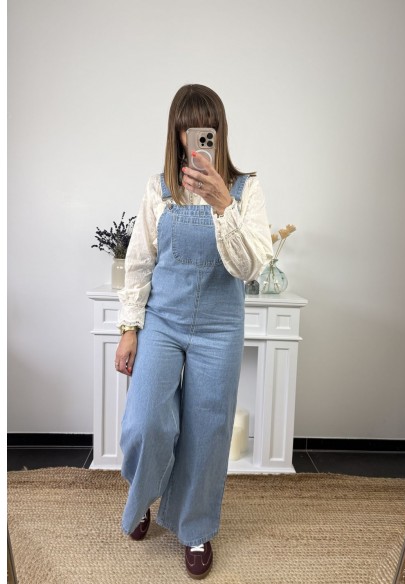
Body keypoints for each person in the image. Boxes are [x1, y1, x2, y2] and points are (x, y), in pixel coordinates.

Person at [115, 83, 273, 579]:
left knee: (208, 430)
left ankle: (196, 527)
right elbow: (139, 263)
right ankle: (144, 493)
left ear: (219, 133)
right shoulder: (157, 189)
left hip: (219, 327)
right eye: (188, 131)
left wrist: (224, 203)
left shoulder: (246, 190)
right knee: (145, 421)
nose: (197, 140)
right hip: (163, 321)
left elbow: (252, 268)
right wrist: (129, 327)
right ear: (177, 135)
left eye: (206, 130)